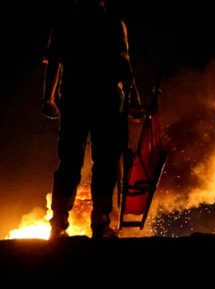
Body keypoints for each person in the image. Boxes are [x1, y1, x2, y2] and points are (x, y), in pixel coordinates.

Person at [43, 0, 140, 239]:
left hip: (75, 98)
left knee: (70, 162)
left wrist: (49, 97)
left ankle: (59, 225)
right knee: (104, 162)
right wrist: (135, 99)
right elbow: (123, 63)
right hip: (105, 99)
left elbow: (55, 61)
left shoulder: (66, 23)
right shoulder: (112, 23)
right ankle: (99, 224)